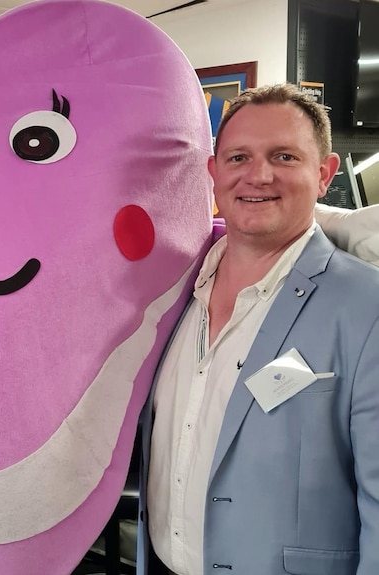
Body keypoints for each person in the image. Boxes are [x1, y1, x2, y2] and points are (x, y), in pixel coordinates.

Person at [140, 84, 379, 575]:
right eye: (238, 157)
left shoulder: (366, 307)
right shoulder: (171, 291)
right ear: (213, 173)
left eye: (284, 156)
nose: (258, 175)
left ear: (324, 173)